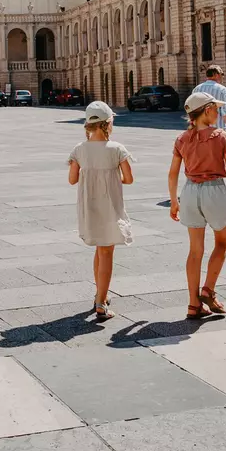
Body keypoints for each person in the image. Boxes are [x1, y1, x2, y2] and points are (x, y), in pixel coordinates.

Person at [168, 91, 226, 321]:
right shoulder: (222, 137)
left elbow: (172, 174)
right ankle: (208, 289)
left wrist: (173, 201)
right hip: (214, 189)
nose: (218, 112)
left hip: (189, 191)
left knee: (195, 250)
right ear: (207, 110)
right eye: (215, 108)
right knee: (222, 242)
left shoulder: (181, 139)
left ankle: (193, 304)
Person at [68, 101, 134, 321]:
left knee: (99, 250)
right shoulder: (117, 149)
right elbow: (129, 179)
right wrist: (113, 177)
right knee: (106, 252)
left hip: (89, 207)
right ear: (108, 124)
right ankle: (101, 303)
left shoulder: (79, 149)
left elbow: (72, 179)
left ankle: (100, 294)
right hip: (110, 207)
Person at [191, 65, 226, 129]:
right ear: (215, 74)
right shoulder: (222, 89)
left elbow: (193, 111)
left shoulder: (196, 89)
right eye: (222, 74)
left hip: (201, 131)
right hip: (218, 131)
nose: (223, 77)